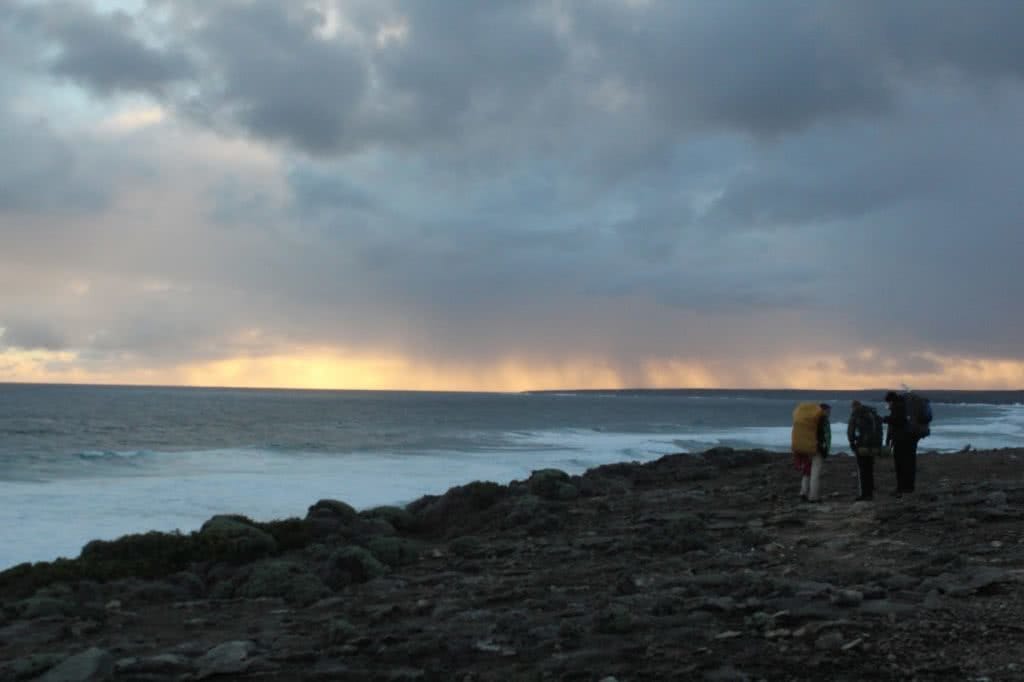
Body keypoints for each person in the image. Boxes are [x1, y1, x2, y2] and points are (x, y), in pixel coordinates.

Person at [792, 402, 832, 502]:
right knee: (815, 473)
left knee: (806, 471)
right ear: (824, 410)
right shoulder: (823, 420)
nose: (830, 413)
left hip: (807, 447)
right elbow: (826, 436)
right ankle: (813, 497)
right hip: (817, 449)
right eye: (828, 411)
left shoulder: (811, 419)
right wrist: (826, 450)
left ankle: (803, 493)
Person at [847, 400, 883, 501]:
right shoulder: (872, 413)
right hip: (874, 446)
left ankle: (864, 494)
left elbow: (850, 431)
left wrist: (852, 443)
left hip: (862, 446)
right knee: (869, 468)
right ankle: (870, 493)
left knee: (862, 470)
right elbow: (879, 430)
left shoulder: (856, 414)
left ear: (854, 407)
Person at [884, 391, 917, 496]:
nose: (888, 405)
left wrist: (885, 419)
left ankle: (901, 488)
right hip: (912, 439)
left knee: (900, 465)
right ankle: (909, 487)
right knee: (910, 464)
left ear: (891, 401)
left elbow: (897, 422)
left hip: (901, 440)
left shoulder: (897, 407)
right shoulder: (905, 406)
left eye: (888, 402)